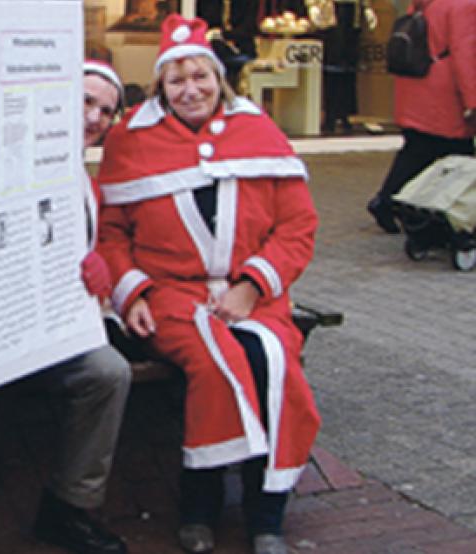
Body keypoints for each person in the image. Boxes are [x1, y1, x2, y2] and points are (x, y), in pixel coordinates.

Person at [97, 15, 320, 554]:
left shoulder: (260, 131)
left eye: (200, 76)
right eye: (176, 80)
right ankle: (201, 501)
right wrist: (133, 291)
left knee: (273, 362)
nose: (190, 89)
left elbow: (297, 227)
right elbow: (111, 235)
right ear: (159, 88)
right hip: (172, 296)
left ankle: (266, 511)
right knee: (214, 358)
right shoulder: (130, 140)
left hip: (256, 294)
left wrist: (250, 286)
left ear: (221, 79)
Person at [0, 60, 132, 554]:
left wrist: (98, 274)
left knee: (108, 373)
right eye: (85, 101)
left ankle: (68, 508)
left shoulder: (82, 181)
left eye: (106, 110)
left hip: (47, 334)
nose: (95, 117)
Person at [366, 0, 476, 233]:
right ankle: (438, 215)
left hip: (415, 85)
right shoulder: (463, 5)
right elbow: (464, 53)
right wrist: (473, 101)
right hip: (444, 94)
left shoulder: (424, 4)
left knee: (417, 151)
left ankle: (395, 203)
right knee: (457, 158)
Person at [319, 0, 377, 134]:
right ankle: (330, 115)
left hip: (353, 12)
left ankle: (344, 114)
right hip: (331, 10)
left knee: (349, 67)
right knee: (332, 64)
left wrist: (367, 7)